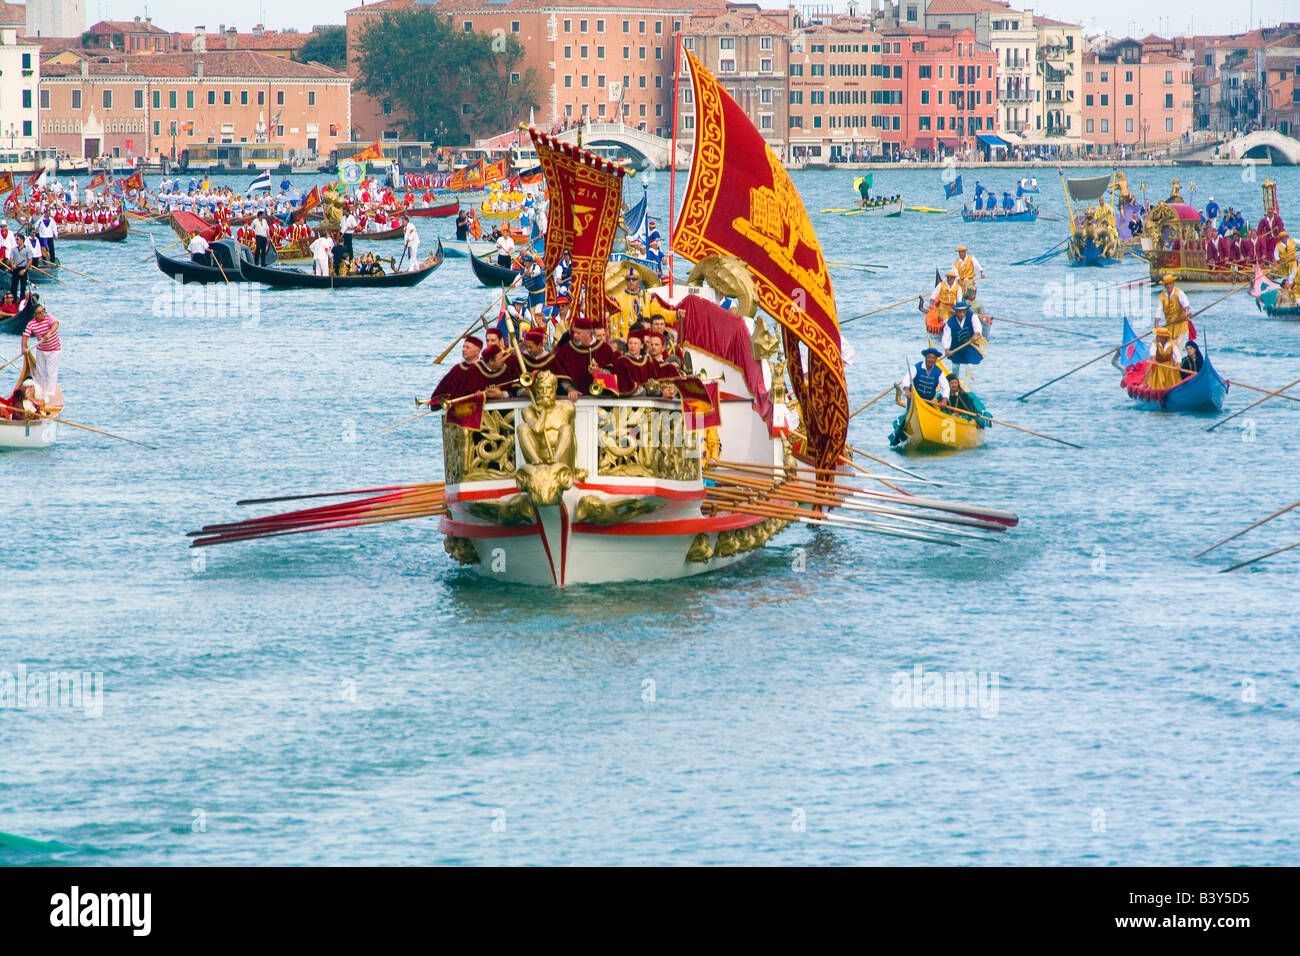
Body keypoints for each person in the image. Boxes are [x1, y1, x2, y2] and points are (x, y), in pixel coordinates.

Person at [548, 315, 619, 399]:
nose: (575, 335)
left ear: (588, 334)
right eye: (574, 332)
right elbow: (560, 374)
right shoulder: (566, 349)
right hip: (573, 400)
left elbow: (612, 374)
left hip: (599, 400)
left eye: (578, 333)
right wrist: (569, 389)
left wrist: (599, 371)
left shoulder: (604, 349)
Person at [890, 347, 949, 444]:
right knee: (905, 420)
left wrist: (944, 399)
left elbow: (945, 387)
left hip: (928, 401)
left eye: (933, 358)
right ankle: (899, 438)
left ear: (936, 359)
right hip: (913, 400)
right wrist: (907, 390)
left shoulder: (939, 372)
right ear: (925, 358)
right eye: (929, 357)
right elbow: (906, 379)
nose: (930, 359)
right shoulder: (916, 367)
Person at [430, 335, 485, 405]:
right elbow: (443, 389)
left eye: (467, 348)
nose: (463, 350)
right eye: (463, 347)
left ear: (477, 351)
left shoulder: (484, 368)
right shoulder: (457, 369)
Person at [21, 302, 61, 398]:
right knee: (40, 372)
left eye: (42, 311)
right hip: (41, 350)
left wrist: (50, 333)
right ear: (34, 315)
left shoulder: (49, 317)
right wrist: (24, 348)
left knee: (51, 372)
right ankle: (39, 393)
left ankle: (50, 395)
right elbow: (25, 337)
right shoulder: (31, 324)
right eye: (39, 313)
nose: (42, 314)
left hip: (54, 349)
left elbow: (56, 324)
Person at [940, 300, 984, 378]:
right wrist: (946, 349)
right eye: (959, 311)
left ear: (966, 311)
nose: (961, 313)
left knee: (969, 366)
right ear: (956, 311)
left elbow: (977, 326)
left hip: (970, 344)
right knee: (955, 367)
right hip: (956, 346)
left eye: (963, 311)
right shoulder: (950, 322)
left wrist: (975, 334)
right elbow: (946, 337)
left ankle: (966, 386)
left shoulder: (972, 316)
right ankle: (955, 384)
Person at [1157, 273, 1193, 348]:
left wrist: (1185, 313)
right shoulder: (1162, 296)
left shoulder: (1179, 292)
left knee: (1178, 344)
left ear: (1173, 283)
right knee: (1169, 346)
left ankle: (1178, 359)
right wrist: (1156, 324)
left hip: (1180, 322)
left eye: (1169, 284)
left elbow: (1186, 304)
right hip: (1170, 324)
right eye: (1166, 284)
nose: (1168, 286)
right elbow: (1159, 310)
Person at [1143, 327, 1181, 392]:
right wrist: (1154, 360)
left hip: (1169, 366)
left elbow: (1177, 355)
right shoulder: (1155, 343)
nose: (1157, 337)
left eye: (1159, 336)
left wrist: (1178, 364)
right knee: (1159, 381)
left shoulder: (1172, 344)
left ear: (1164, 337)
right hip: (1158, 364)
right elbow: (1152, 352)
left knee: (1171, 381)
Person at [8, 231, 32, 299]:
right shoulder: (14, 249)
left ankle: (22, 299)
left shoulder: (27, 249)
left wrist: (24, 270)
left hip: (23, 268)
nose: (16, 241)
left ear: (22, 240)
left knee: (23, 287)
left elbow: (30, 261)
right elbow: (11, 258)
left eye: (17, 239)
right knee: (13, 286)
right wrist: (12, 265)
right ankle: (14, 300)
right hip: (16, 268)